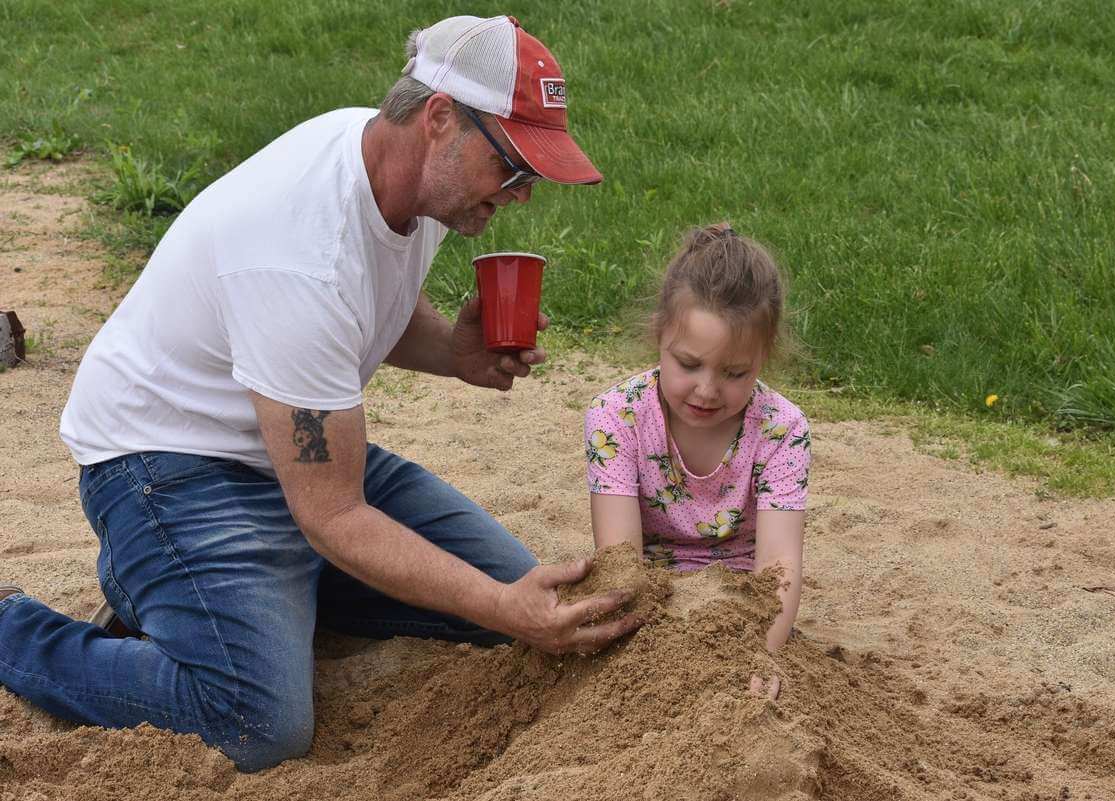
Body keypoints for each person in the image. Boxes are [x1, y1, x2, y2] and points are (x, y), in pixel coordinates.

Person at [0, 14, 638, 772]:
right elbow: (334, 513)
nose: (522, 193)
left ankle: (218, 598)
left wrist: (452, 351)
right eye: (513, 165)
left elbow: (362, 300)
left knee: (520, 600)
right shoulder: (297, 251)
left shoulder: (400, 172)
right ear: (440, 118)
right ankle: (22, 624)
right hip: (165, 469)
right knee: (258, 722)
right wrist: (499, 604)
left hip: (292, 457)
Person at [585, 223, 810, 700]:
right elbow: (620, 560)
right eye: (689, 364)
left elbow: (779, 565)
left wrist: (763, 653)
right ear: (659, 334)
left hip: (744, 610)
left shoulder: (782, 428)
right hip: (652, 603)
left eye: (735, 373)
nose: (707, 390)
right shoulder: (616, 416)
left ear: (765, 357)